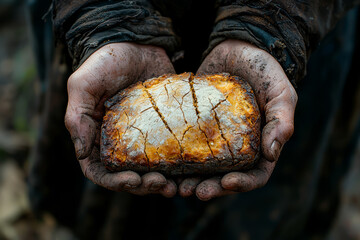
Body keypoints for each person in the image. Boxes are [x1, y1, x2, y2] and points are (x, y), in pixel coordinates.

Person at [28, 0, 360, 239]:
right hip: (98, 23)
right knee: (108, 216)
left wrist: (270, 26)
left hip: (298, 16)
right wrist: (104, 18)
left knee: (268, 213)